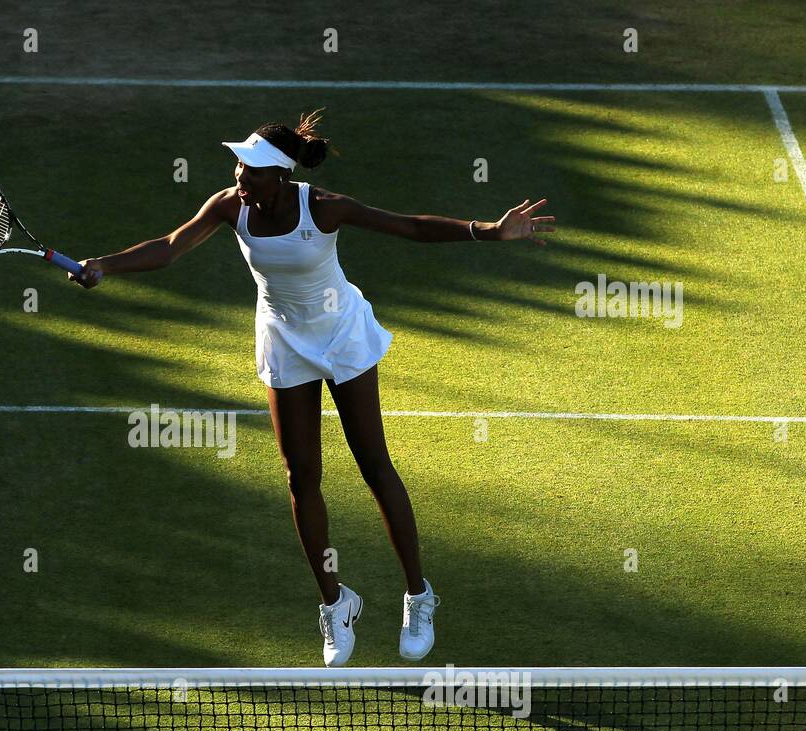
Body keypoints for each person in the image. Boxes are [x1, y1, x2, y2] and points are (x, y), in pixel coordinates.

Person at [68, 109, 556, 666]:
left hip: (342, 334)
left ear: (280, 175)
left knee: (375, 464)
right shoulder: (230, 207)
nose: (238, 179)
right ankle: (335, 602)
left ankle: (419, 596)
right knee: (302, 476)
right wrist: (104, 265)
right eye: (238, 168)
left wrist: (490, 230)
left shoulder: (323, 208)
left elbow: (410, 227)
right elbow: (171, 246)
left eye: (250, 172)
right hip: (284, 339)